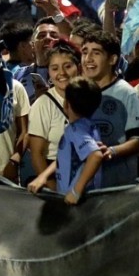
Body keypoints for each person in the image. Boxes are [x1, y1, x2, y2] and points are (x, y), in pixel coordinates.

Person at [78, 31, 139, 185]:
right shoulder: (79, 92)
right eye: (84, 52)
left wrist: (111, 151)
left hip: (117, 186)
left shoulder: (126, 93)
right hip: (85, 187)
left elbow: (138, 140)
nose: (88, 58)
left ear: (112, 59)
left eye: (96, 53)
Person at [28, 77, 105, 204]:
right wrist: (43, 176)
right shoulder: (89, 126)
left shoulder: (75, 130)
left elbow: (95, 156)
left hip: (77, 202)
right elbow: (65, 158)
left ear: (66, 104)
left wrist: (76, 191)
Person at [26, 42, 82, 189]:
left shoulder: (89, 97)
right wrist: (53, 189)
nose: (61, 73)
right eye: (54, 68)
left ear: (79, 67)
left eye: (68, 66)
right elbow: (37, 154)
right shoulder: (43, 105)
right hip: (57, 181)